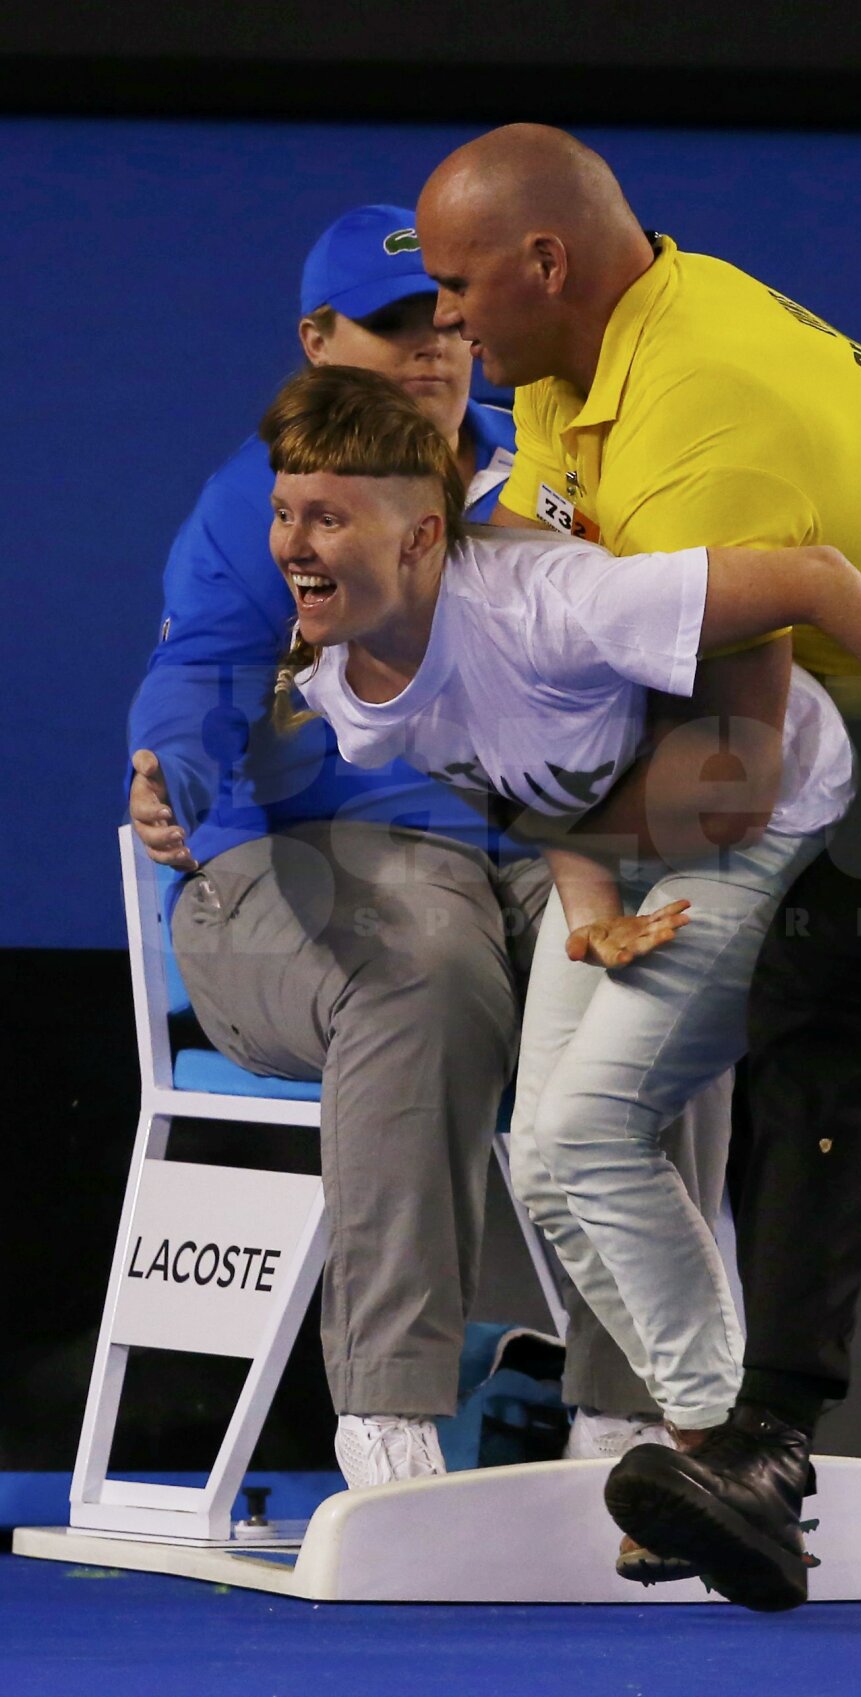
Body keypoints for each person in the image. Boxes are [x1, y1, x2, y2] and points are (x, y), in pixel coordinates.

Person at [414, 125, 861, 1606]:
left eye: (460, 283)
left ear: (546, 261)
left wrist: (559, 836)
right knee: (638, 1077)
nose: (448, 318)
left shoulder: (699, 413)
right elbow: (550, 561)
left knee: (819, 1001)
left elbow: (734, 761)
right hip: (852, 716)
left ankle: (765, 1444)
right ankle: (703, 1416)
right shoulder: (571, 360)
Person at [263, 362, 861, 1609]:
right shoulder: (355, 690)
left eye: (329, 516)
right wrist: (594, 914)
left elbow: (819, 577)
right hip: (639, 849)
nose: (295, 545)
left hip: (767, 813)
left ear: (420, 532)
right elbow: (541, 778)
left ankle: (730, 1455)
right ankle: (721, 1448)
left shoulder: (557, 599)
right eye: (286, 511)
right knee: (551, 1158)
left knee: (582, 1131)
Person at [125, 203, 688, 1489]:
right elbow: (193, 682)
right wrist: (178, 785)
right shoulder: (262, 505)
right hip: (297, 879)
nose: (431, 348)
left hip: (525, 866)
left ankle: (637, 1412)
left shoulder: (550, 471)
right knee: (423, 959)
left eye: (442, 318)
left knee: (653, 961)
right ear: (316, 342)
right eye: (389, 327)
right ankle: (392, 1415)